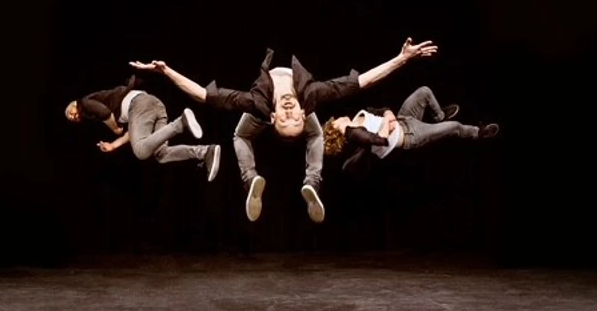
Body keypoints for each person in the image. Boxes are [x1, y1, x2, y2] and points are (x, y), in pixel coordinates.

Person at [129, 38, 438, 222]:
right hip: (300, 115)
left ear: (273, 118)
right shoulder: (311, 98)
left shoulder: (260, 105)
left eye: (288, 118)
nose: (291, 113)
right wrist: (402, 58)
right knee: (314, 133)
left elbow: (204, 95)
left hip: (262, 113)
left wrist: (165, 71)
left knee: (240, 134)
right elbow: (362, 82)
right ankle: (303, 182)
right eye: (294, 118)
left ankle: (284, 181)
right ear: (300, 114)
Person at [64, 75, 221, 181]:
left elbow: (105, 114)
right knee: (161, 154)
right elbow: (134, 132)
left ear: (73, 105)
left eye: (70, 113)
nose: (72, 117)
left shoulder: (84, 103)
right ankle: (205, 152)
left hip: (138, 104)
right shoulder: (96, 110)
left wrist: (115, 129)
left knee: (140, 151)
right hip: (154, 105)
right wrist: (113, 145)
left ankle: (180, 123)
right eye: (71, 119)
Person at [322, 86, 499, 172]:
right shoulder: (353, 133)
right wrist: (386, 123)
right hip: (410, 136)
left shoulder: (357, 117)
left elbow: (381, 110)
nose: (337, 118)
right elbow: (381, 140)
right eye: (335, 121)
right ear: (335, 129)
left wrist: (388, 115)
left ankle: (439, 116)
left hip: (403, 119)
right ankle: (478, 133)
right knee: (455, 127)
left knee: (424, 92)